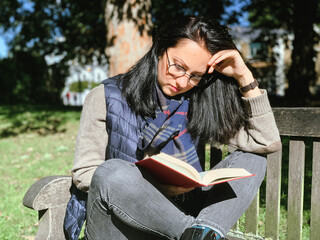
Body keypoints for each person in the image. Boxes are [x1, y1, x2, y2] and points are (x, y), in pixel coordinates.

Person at [64, 16, 281, 240]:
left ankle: (203, 231)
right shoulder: (107, 96)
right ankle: (194, 234)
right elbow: (85, 174)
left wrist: (244, 76)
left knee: (254, 158)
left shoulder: (198, 103)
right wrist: (153, 187)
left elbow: (266, 142)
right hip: (120, 225)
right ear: (159, 49)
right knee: (111, 172)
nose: (183, 81)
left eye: (195, 75)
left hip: (182, 212)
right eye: (178, 66)